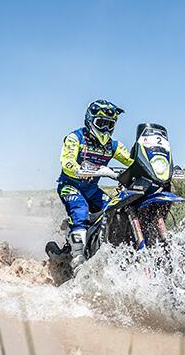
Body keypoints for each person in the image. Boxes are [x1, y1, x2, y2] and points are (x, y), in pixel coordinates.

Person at [56, 100, 133, 270]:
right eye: (101, 123)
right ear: (90, 120)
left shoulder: (113, 145)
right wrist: (93, 170)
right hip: (70, 186)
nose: (105, 128)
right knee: (80, 210)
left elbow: (132, 161)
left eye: (109, 124)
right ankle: (78, 258)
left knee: (115, 209)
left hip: (92, 190)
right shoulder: (75, 138)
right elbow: (67, 163)